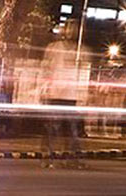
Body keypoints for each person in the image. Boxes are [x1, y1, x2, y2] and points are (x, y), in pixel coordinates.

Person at [38, 19, 88, 164]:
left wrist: (83, 93)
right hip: (55, 93)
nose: (72, 31)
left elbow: (83, 72)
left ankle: (72, 157)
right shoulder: (54, 48)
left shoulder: (80, 50)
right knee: (53, 127)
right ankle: (48, 155)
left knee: (73, 128)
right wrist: (44, 88)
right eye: (70, 27)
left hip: (71, 96)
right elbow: (45, 69)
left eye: (75, 28)